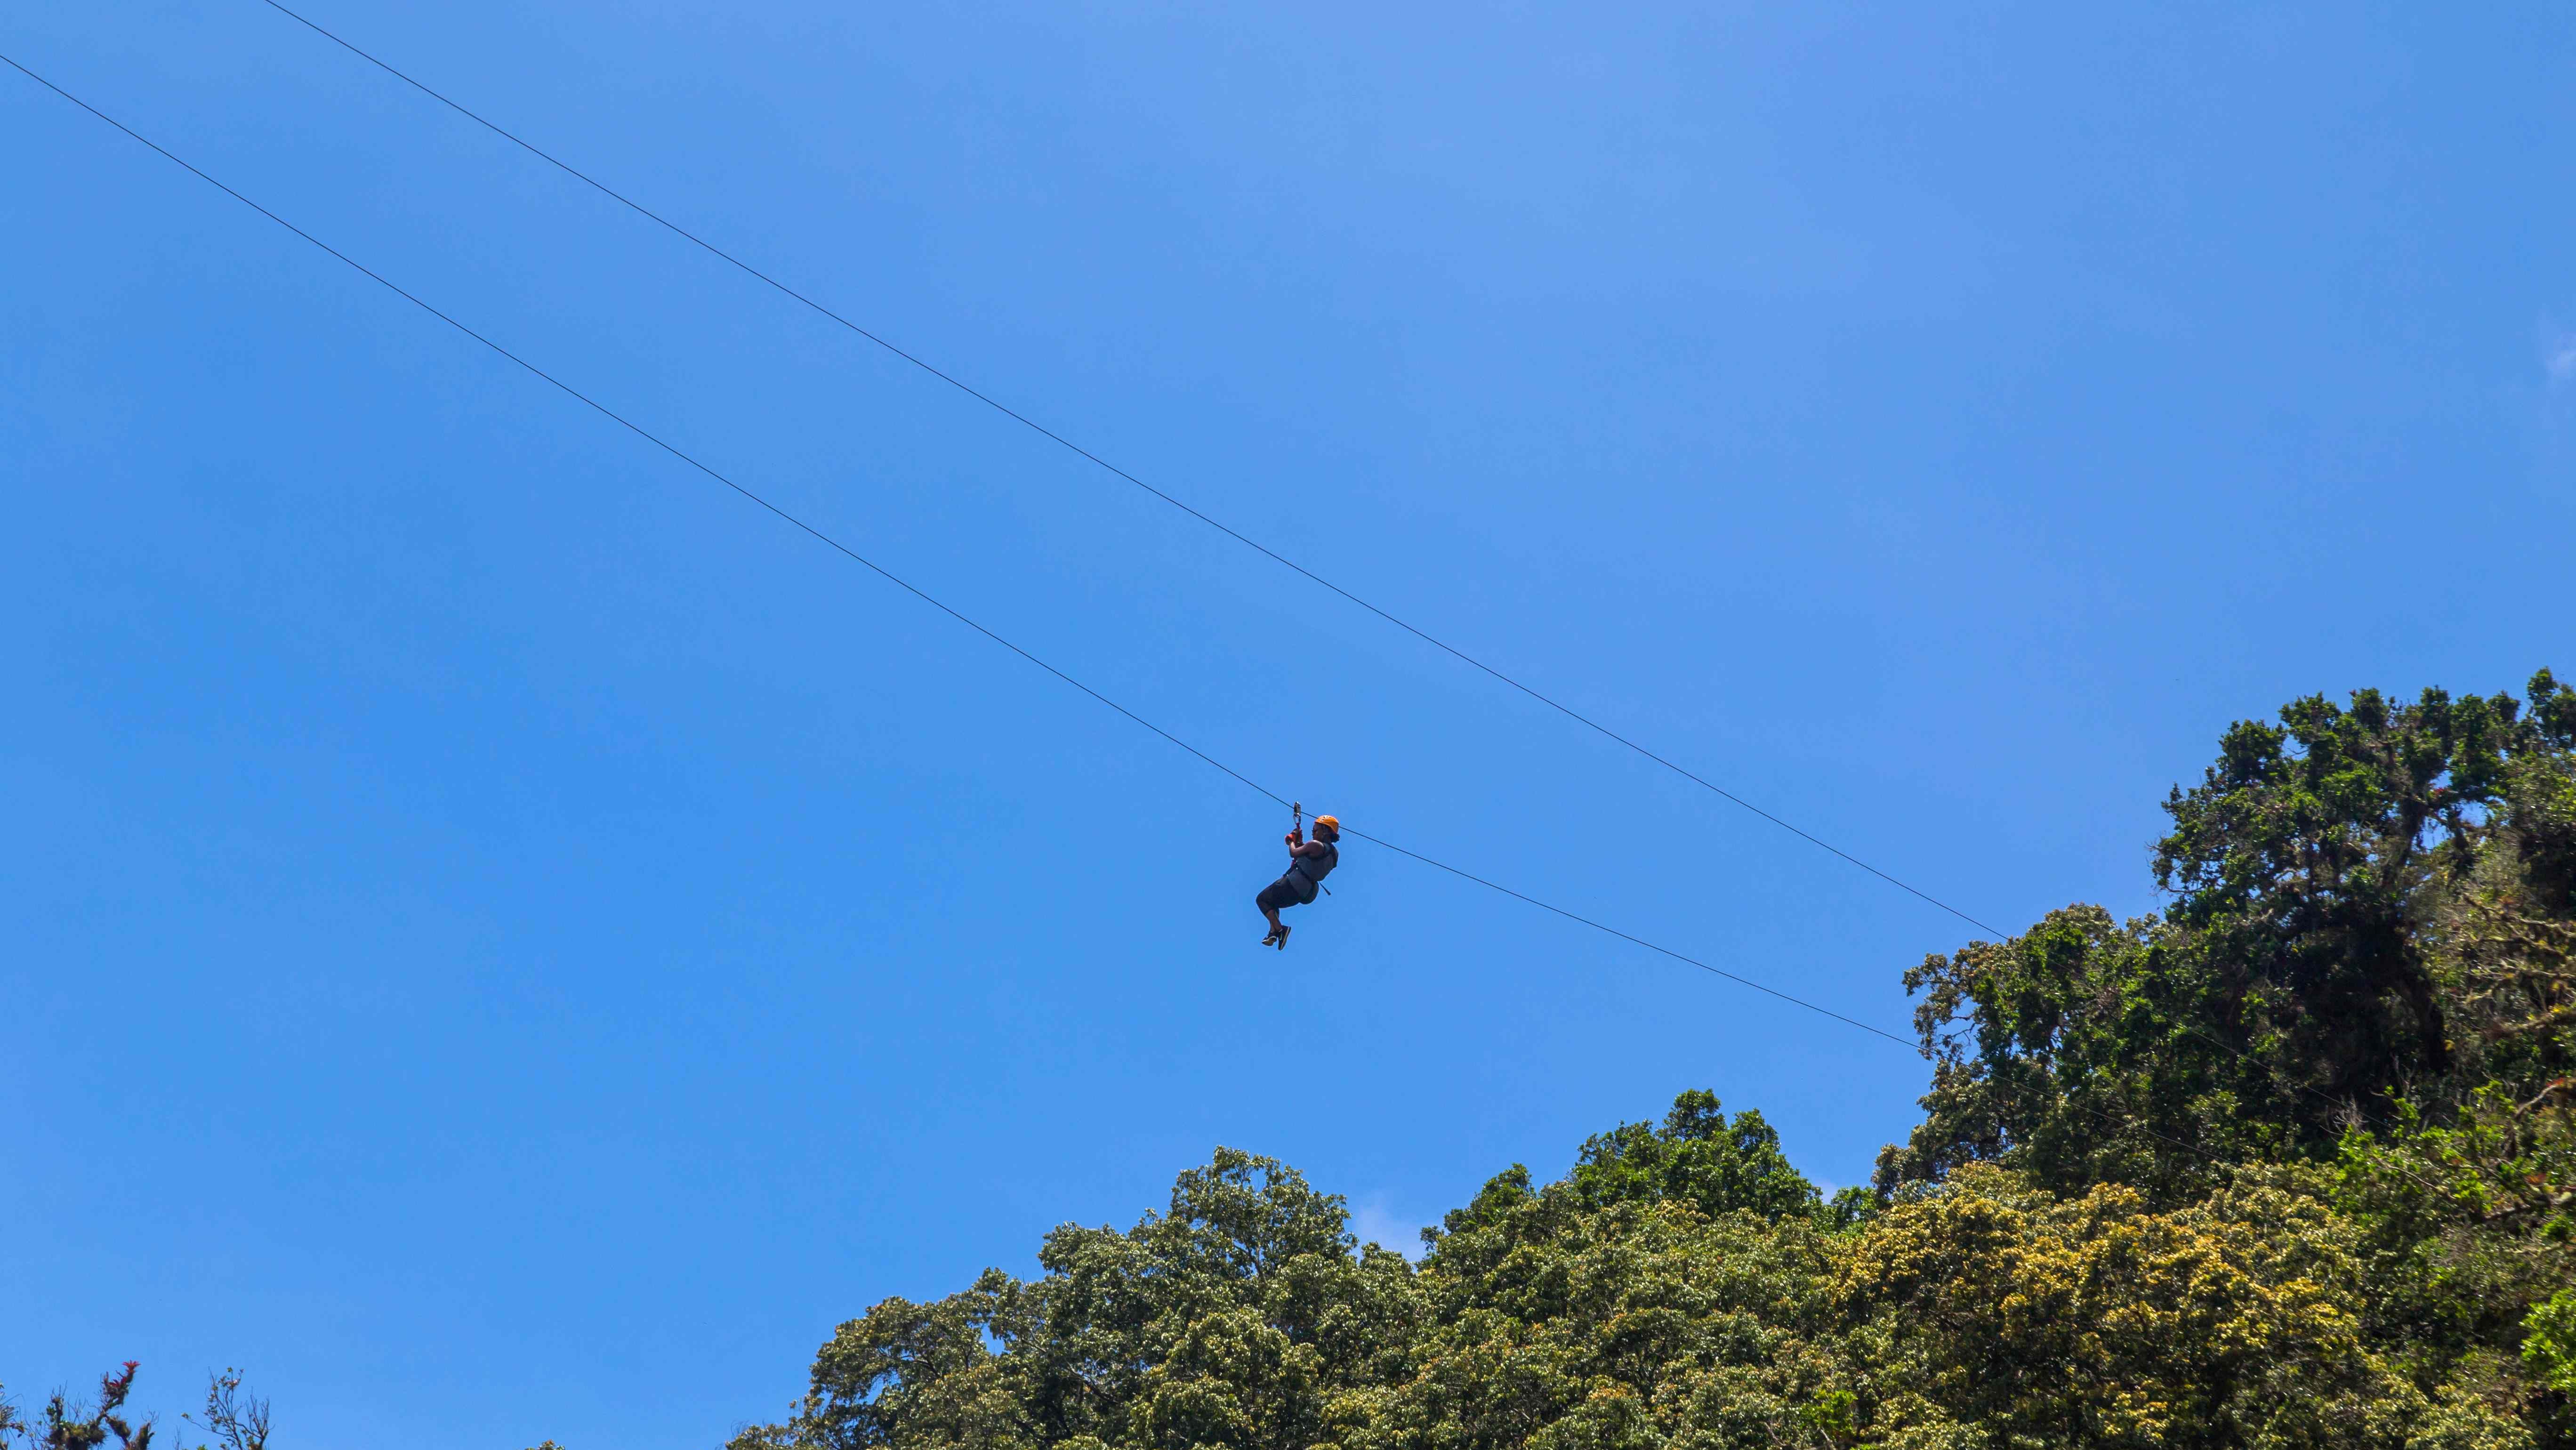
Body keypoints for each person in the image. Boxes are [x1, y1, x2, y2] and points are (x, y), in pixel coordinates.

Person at [1257, 814, 1339, 949]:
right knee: (1272, 903)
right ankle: (1273, 932)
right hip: (1308, 892)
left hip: (1296, 883)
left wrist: (1292, 841)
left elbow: (1294, 853)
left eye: (1315, 830)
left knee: (1262, 900)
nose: (1313, 833)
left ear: (1326, 831)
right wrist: (1299, 842)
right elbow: (1309, 857)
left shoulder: (1315, 845)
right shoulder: (1334, 853)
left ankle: (1280, 930)